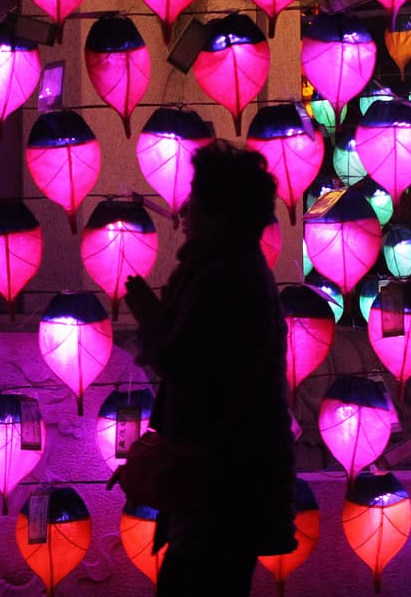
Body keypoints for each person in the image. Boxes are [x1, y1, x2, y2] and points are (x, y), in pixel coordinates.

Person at [124, 139, 297, 597]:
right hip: (233, 479)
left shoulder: (225, 277)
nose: (184, 210)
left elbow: (189, 365)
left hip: (223, 485)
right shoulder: (229, 270)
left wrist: (149, 318)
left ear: (221, 211)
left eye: (196, 196)